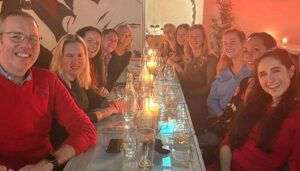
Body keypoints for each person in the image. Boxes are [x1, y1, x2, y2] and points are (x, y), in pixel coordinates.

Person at [0, 11, 96, 170]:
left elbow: (85, 129)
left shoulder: (48, 80)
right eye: (16, 36)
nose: (27, 45)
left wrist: (48, 163)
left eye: (33, 38)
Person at [198, 32, 277, 165]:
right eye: (247, 51)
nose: (249, 55)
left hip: (235, 145)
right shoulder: (245, 81)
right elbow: (223, 106)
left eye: (255, 50)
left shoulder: (271, 90)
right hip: (224, 130)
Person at [219, 48, 300, 171]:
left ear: (291, 71)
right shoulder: (256, 104)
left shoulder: (296, 115)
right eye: (263, 74)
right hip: (224, 165)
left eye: (276, 71)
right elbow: (228, 143)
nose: (270, 80)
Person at [49, 34, 121, 148]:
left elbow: (93, 98)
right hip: (65, 149)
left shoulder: (75, 79)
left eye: (80, 55)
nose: (75, 61)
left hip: (79, 141)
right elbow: (81, 120)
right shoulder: (57, 84)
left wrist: (108, 103)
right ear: (60, 57)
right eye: (69, 56)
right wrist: (109, 111)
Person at [170, 24, 218, 135]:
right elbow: (187, 79)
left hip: (199, 103)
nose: (193, 39)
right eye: (191, 36)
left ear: (204, 39)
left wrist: (187, 93)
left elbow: (209, 87)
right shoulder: (189, 55)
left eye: (197, 37)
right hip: (187, 97)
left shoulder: (210, 57)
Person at [207, 28, 252, 117]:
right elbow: (211, 99)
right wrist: (221, 115)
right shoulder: (223, 72)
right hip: (220, 120)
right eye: (225, 43)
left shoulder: (251, 71)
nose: (228, 46)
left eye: (233, 42)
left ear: (243, 43)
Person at [76, 26, 110, 98]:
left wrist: (102, 91)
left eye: (97, 43)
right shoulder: (73, 66)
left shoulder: (94, 63)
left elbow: (97, 88)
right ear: (78, 41)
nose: (94, 46)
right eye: (90, 40)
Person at [106, 25, 132, 91]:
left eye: (129, 35)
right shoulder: (110, 53)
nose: (126, 37)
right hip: (110, 88)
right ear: (118, 36)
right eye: (124, 35)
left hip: (123, 86)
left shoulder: (128, 54)